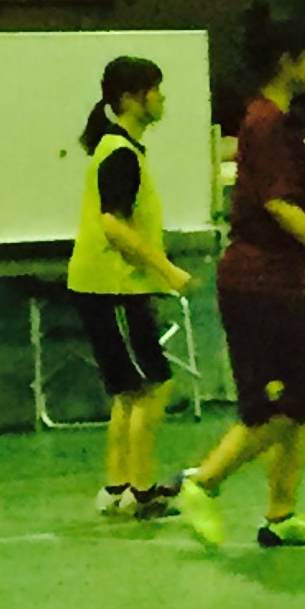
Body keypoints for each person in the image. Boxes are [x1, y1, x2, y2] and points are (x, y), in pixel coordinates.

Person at [173, 22, 305, 552]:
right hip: (259, 283)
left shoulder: (275, 121)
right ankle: (204, 483)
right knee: (290, 402)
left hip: (280, 279)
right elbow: (279, 203)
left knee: (298, 399)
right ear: (287, 61)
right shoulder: (266, 123)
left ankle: (282, 514)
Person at [65, 53, 194, 518]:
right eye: (154, 90)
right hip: (114, 287)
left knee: (128, 390)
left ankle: (117, 486)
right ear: (132, 98)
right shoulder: (120, 154)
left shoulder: (119, 149)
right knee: (154, 387)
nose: (161, 98)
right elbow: (114, 225)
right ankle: (141, 491)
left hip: (107, 286)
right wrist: (167, 270)